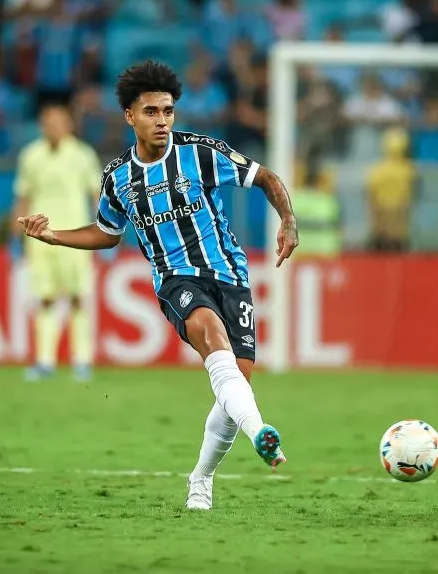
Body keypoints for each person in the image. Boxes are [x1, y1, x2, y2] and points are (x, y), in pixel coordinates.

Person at [17, 60, 300, 511]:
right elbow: (106, 233)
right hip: (175, 279)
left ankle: (201, 478)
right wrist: (54, 235)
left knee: (235, 387)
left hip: (231, 275)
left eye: (168, 111)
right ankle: (261, 433)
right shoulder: (118, 177)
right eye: (151, 112)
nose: (162, 120)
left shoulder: (201, 152)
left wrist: (287, 219)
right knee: (211, 334)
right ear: (130, 116)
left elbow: (265, 177)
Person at [13, 104, 101, 382]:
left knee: (78, 297)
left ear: (69, 125)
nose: (52, 128)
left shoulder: (83, 155)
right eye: (47, 123)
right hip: (39, 237)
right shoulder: (31, 155)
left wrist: (104, 231)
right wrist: (15, 237)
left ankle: (82, 361)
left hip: (75, 236)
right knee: (45, 298)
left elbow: (96, 195)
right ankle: (45, 361)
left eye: (57, 122)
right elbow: (24, 196)